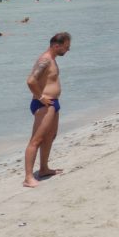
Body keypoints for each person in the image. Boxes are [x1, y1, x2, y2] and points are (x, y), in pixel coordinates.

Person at [24, 32, 71, 188]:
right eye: (66, 47)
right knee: (36, 140)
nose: (68, 50)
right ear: (56, 45)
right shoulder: (45, 60)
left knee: (50, 137)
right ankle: (28, 178)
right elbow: (31, 81)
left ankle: (43, 169)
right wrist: (41, 97)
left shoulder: (52, 60)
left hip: (52, 103)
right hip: (44, 104)